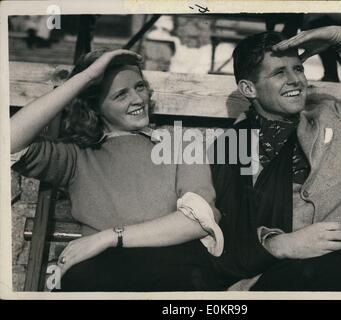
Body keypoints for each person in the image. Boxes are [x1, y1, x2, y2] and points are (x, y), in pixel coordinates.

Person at [11, 49, 224, 291]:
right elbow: (9, 141)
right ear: (95, 106)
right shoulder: (76, 156)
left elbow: (197, 221)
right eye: (121, 94)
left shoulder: (182, 143)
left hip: (174, 268)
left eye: (140, 87)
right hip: (106, 274)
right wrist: (87, 77)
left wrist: (109, 237)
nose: (137, 99)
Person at [210, 21, 341, 291]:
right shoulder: (231, 148)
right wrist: (278, 243)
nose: (295, 80)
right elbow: (225, 233)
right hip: (286, 269)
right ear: (249, 89)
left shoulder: (336, 120)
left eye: (298, 68)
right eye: (279, 72)